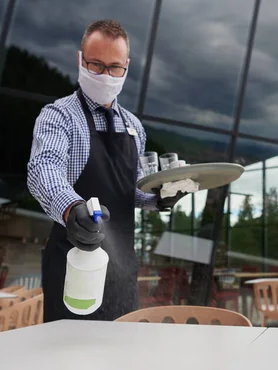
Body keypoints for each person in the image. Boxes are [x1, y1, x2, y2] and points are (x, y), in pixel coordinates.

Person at [27, 20, 185, 322]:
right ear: (80, 60)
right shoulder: (59, 115)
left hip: (122, 266)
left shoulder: (134, 127)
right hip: (73, 263)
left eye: (115, 68)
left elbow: (131, 191)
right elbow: (43, 169)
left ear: (126, 67)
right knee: (68, 359)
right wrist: (72, 208)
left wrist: (157, 200)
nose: (105, 75)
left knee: (120, 357)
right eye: (96, 65)